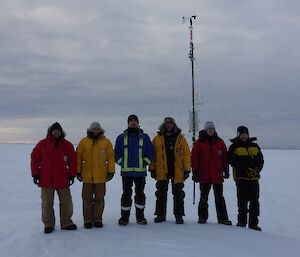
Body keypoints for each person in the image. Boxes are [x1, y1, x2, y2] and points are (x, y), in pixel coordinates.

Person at [30, 122, 77, 233]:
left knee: (66, 202)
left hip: (62, 178)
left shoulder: (67, 145)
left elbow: (73, 161)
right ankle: (48, 224)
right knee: (47, 203)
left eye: (58, 130)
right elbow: (34, 159)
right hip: (46, 180)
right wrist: (35, 174)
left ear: (61, 132)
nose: (57, 132)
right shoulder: (42, 144)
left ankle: (66, 222)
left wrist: (72, 174)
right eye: (54, 130)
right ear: (51, 132)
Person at [149, 117, 191, 224]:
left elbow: (186, 155)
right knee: (160, 193)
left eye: (171, 124)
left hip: (177, 171)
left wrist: (187, 170)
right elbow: (152, 155)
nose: (169, 126)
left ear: (174, 125)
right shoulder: (157, 139)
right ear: (164, 125)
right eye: (167, 124)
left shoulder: (181, 138)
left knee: (178, 194)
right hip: (161, 170)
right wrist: (152, 168)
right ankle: (160, 215)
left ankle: (179, 215)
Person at [115, 114, 153, 225]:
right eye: (131, 121)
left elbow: (150, 153)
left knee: (140, 194)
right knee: (126, 194)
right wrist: (122, 163)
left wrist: (144, 163)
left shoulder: (145, 137)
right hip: (126, 173)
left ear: (138, 123)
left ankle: (140, 217)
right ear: (128, 123)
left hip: (140, 173)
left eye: (135, 121)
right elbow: (117, 153)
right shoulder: (121, 138)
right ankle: (124, 218)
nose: (133, 122)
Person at [191, 121, 232, 225]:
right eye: (209, 129)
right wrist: (195, 172)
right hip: (204, 175)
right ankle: (202, 217)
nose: (211, 130)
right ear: (205, 130)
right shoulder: (199, 143)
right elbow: (194, 158)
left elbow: (224, 158)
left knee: (219, 198)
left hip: (217, 175)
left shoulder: (220, 142)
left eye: (212, 129)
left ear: (214, 130)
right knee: (203, 198)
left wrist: (226, 169)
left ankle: (222, 218)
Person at [76, 122, 115, 229]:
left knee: (99, 199)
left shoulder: (106, 142)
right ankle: (87, 220)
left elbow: (111, 158)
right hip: (87, 176)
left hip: (101, 177)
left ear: (100, 130)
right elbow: (78, 158)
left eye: (97, 129)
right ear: (90, 130)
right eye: (94, 129)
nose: (96, 131)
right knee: (87, 199)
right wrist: (78, 172)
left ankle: (97, 219)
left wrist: (111, 171)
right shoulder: (84, 142)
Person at [228, 126, 264, 231]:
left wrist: (257, 170)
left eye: (246, 134)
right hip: (241, 178)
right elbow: (232, 161)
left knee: (254, 201)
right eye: (242, 134)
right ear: (238, 135)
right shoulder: (234, 147)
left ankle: (253, 223)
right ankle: (242, 222)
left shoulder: (255, 146)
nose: (244, 136)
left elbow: (260, 160)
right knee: (242, 201)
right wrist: (246, 170)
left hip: (254, 179)